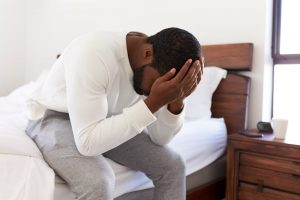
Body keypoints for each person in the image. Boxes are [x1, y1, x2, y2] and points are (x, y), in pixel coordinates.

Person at [26, 27, 203, 200]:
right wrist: (153, 102)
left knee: (173, 166)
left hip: (107, 118)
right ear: (147, 54)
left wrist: (177, 99)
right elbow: (88, 143)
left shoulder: (160, 69)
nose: (153, 92)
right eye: (156, 84)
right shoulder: (93, 53)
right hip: (55, 116)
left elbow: (160, 139)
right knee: (98, 183)